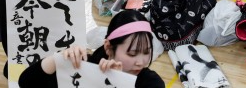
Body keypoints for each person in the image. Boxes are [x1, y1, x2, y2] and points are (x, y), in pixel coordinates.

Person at [18, 10, 164, 87]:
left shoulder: (151, 82)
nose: (141, 62)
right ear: (108, 47)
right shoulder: (83, 66)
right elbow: (26, 83)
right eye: (132, 54)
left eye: (147, 52)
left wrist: (119, 82)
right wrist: (58, 59)